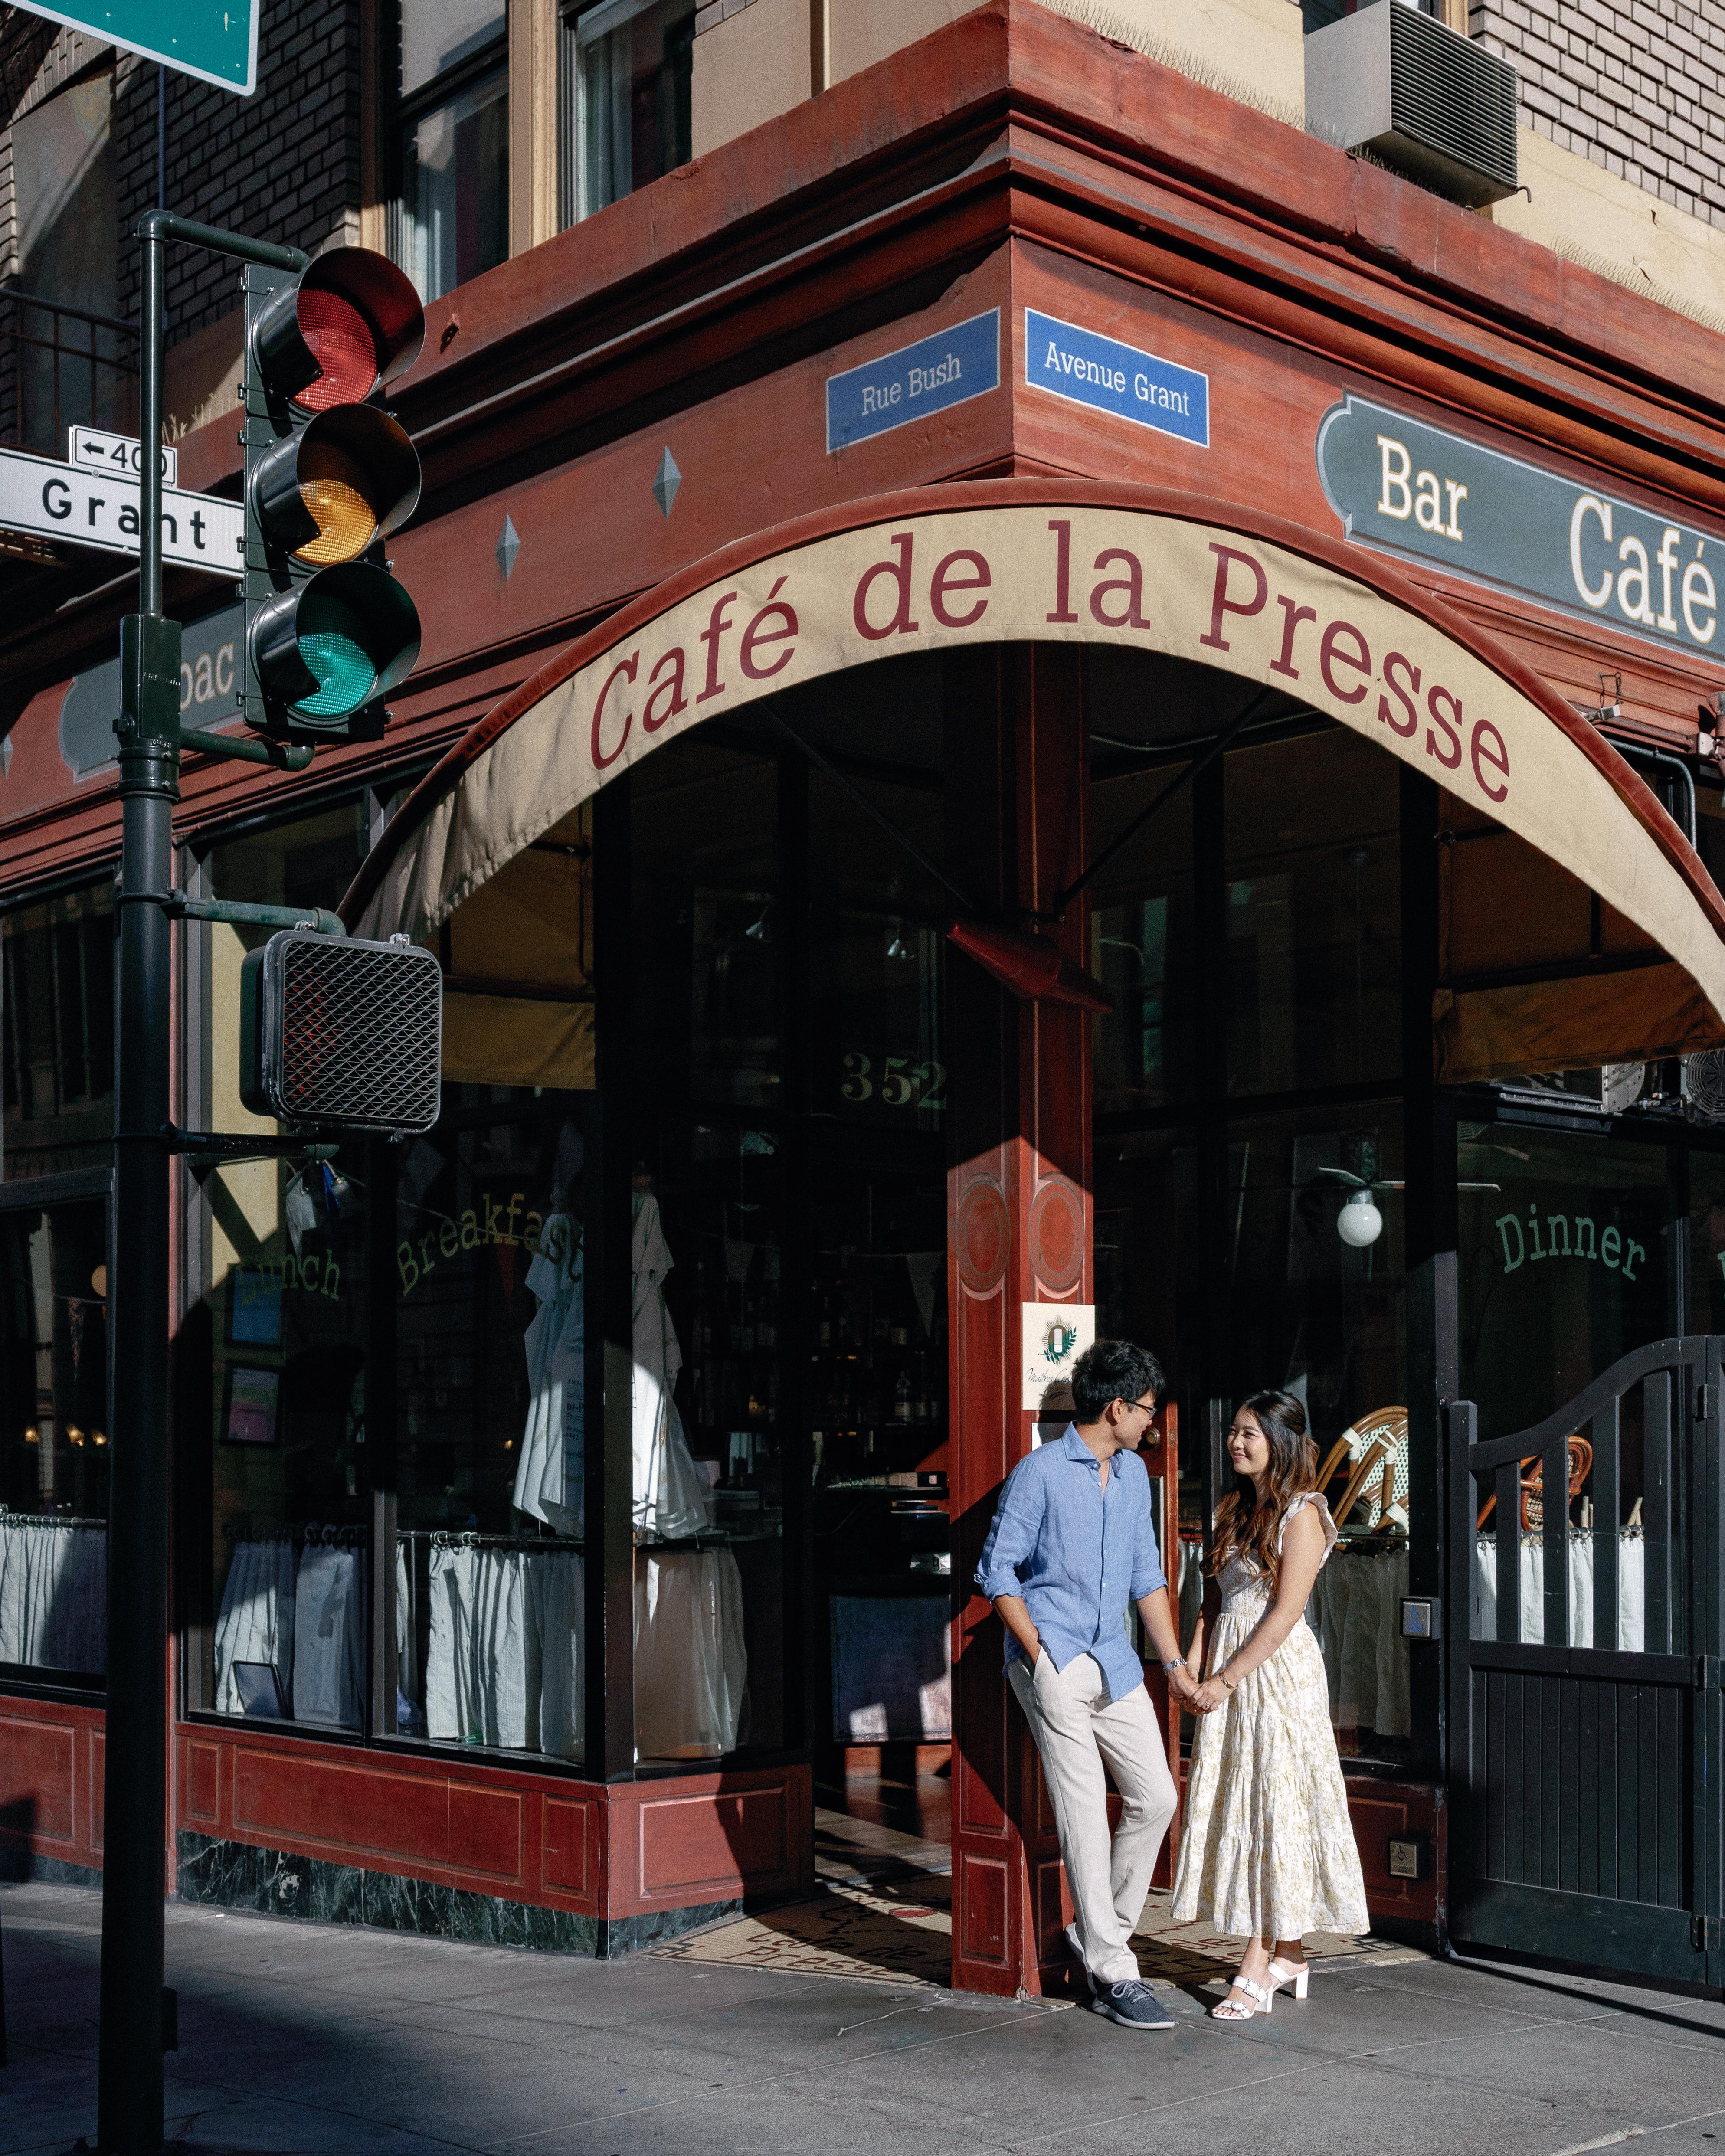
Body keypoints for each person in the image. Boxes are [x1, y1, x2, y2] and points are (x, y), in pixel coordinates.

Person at [976, 1338, 1199, 2031]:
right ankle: (1113, 1966)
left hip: (1116, 1660)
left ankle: (1101, 1939)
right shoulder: (1039, 1473)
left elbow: (1146, 1577)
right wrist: (1041, 1653)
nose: (1151, 1423)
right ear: (1115, 1407)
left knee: (1157, 1797)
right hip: (1057, 1661)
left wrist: (1173, 1666)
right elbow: (996, 1572)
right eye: (1146, 1411)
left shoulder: (1133, 1474)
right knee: (1080, 1815)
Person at [1171, 1388, 1368, 2020]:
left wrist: (1224, 1679)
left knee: (1275, 1806)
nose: (1236, 1442)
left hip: (1274, 1676)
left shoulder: (1303, 1513)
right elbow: (1211, 1603)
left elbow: (1284, 1614)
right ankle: (1289, 1953)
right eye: (1234, 1431)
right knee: (1246, 1801)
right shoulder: (1233, 1507)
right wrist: (1190, 1670)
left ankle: (1255, 1966)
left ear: (1280, 1442)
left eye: (1250, 1433)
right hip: (1229, 1668)